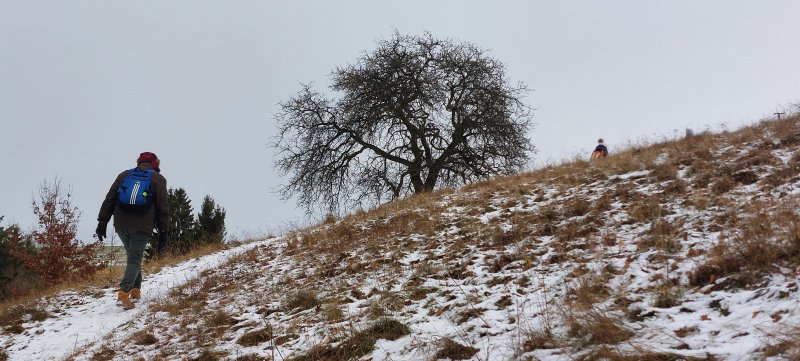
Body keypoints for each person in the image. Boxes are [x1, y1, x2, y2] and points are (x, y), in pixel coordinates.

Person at [96, 152, 169, 310]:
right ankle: (124, 293)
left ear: (139, 162)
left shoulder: (124, 175)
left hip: (121, 224)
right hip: (143, 226)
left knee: (133, 256)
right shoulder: (158, 179)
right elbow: (163, 207)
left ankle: (136, 290)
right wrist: (164, 231)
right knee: (135, 259)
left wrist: (103, 221)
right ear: (155, 163)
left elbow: (110, 198)